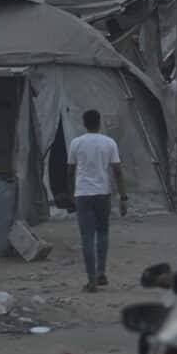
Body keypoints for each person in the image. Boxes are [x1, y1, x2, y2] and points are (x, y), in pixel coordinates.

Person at [67, 110, 126, 293]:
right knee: (102, 232)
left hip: (83, 194)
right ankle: (101, 273)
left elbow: (70, 171)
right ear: (99, 123)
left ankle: (91, 280)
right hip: (103, 193)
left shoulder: (76, 143)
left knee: (87, 237)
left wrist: (71, 195)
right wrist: (123, 197)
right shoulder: (109, 143)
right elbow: (117, 171)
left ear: (84, 123)